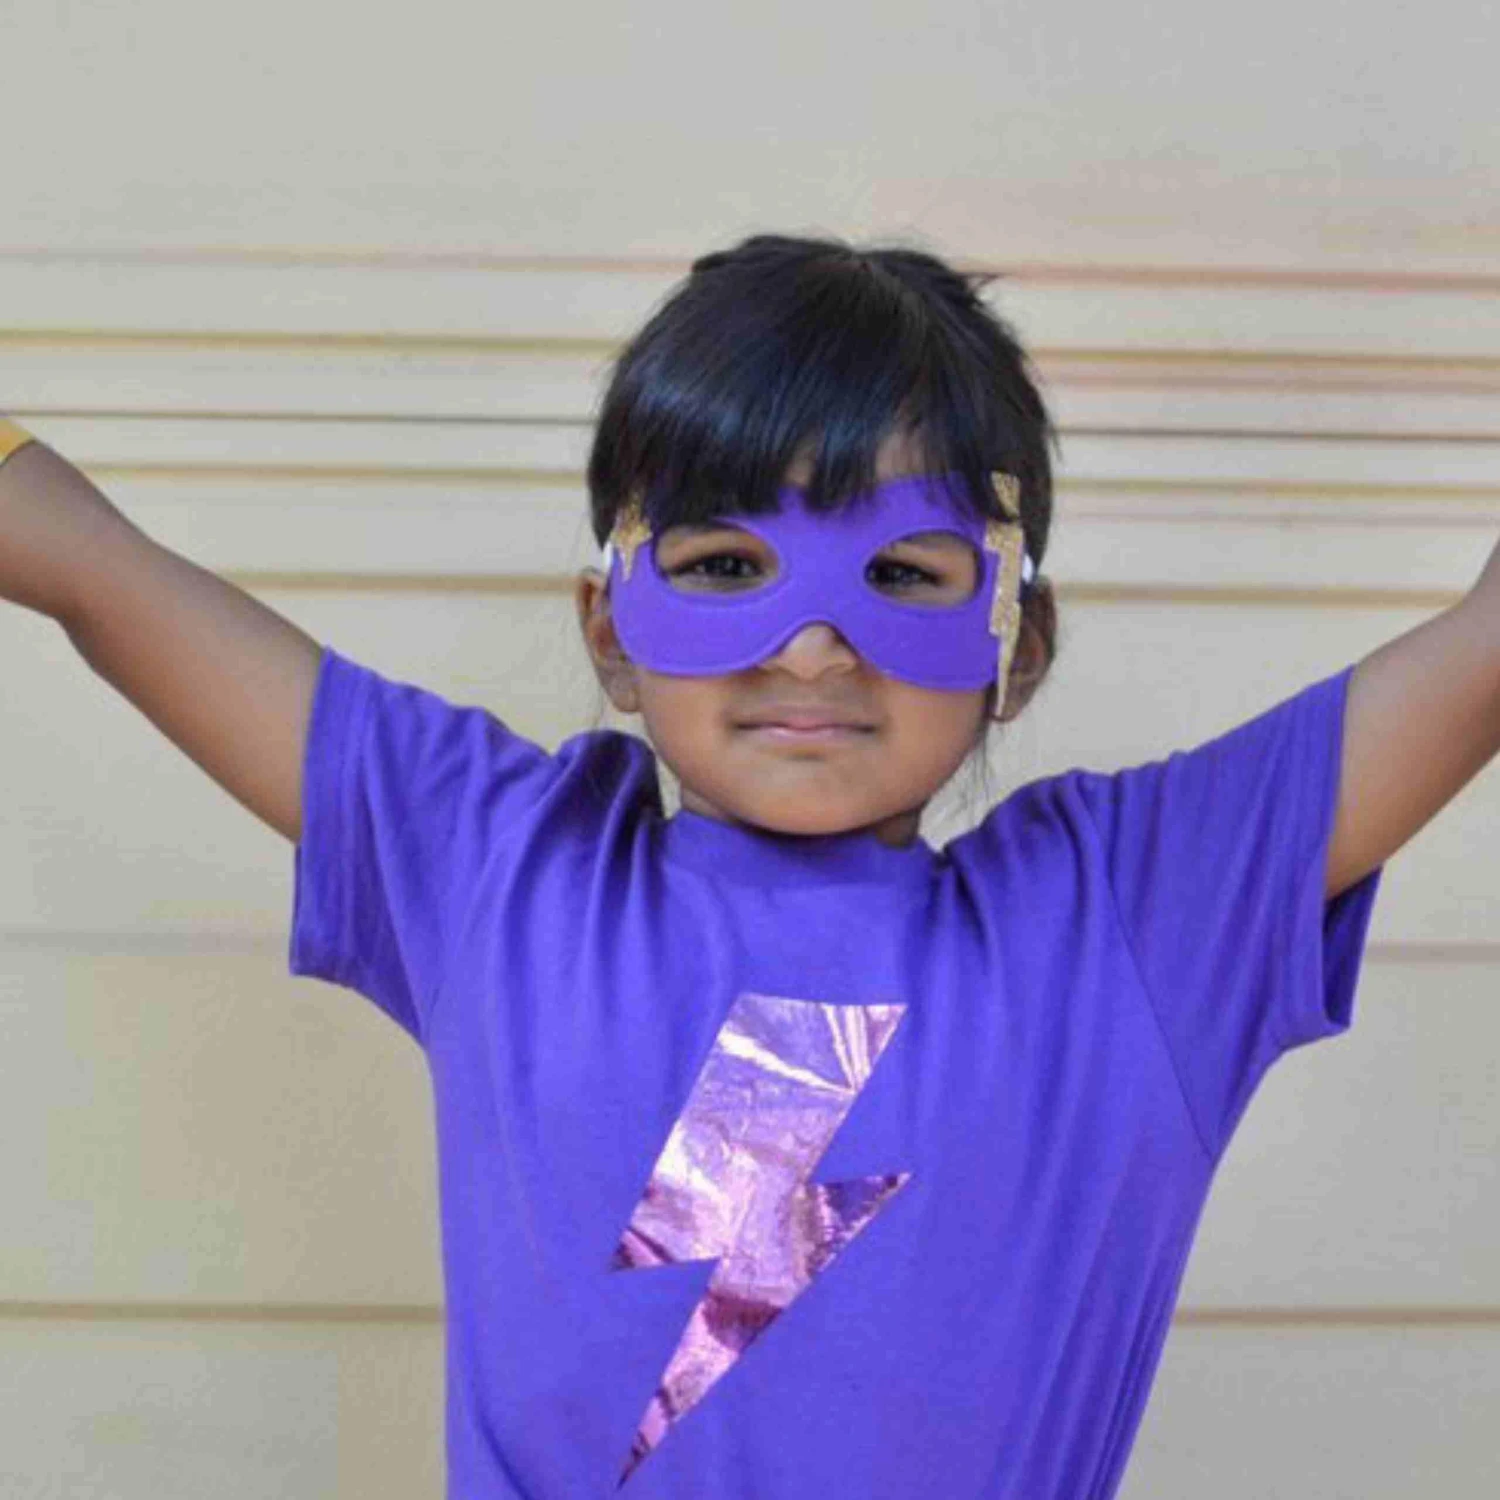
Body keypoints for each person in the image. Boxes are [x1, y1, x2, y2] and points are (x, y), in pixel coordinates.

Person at [0, 233, 1389, 1499]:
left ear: (1015, 645)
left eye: (903, 575)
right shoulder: (501, 870)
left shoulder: (1131, 924)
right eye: (728, 566)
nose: (812, 648)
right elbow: (95, 570)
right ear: (611, 633)